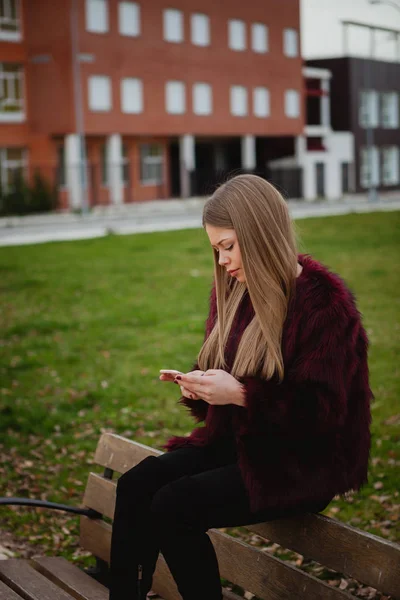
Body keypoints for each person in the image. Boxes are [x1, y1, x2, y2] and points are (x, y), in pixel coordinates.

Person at [109, 174, 372, 600]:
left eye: (228, 246)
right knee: (137, 484)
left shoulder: (324, 306)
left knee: (174, 505)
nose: (223, 261)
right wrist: (200, 385)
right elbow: (227, 373)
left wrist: (242, 395)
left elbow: (322, 414)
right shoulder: (233, 292)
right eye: (216, 250)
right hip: (242, 440)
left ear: (261, 233)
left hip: (302, 463)